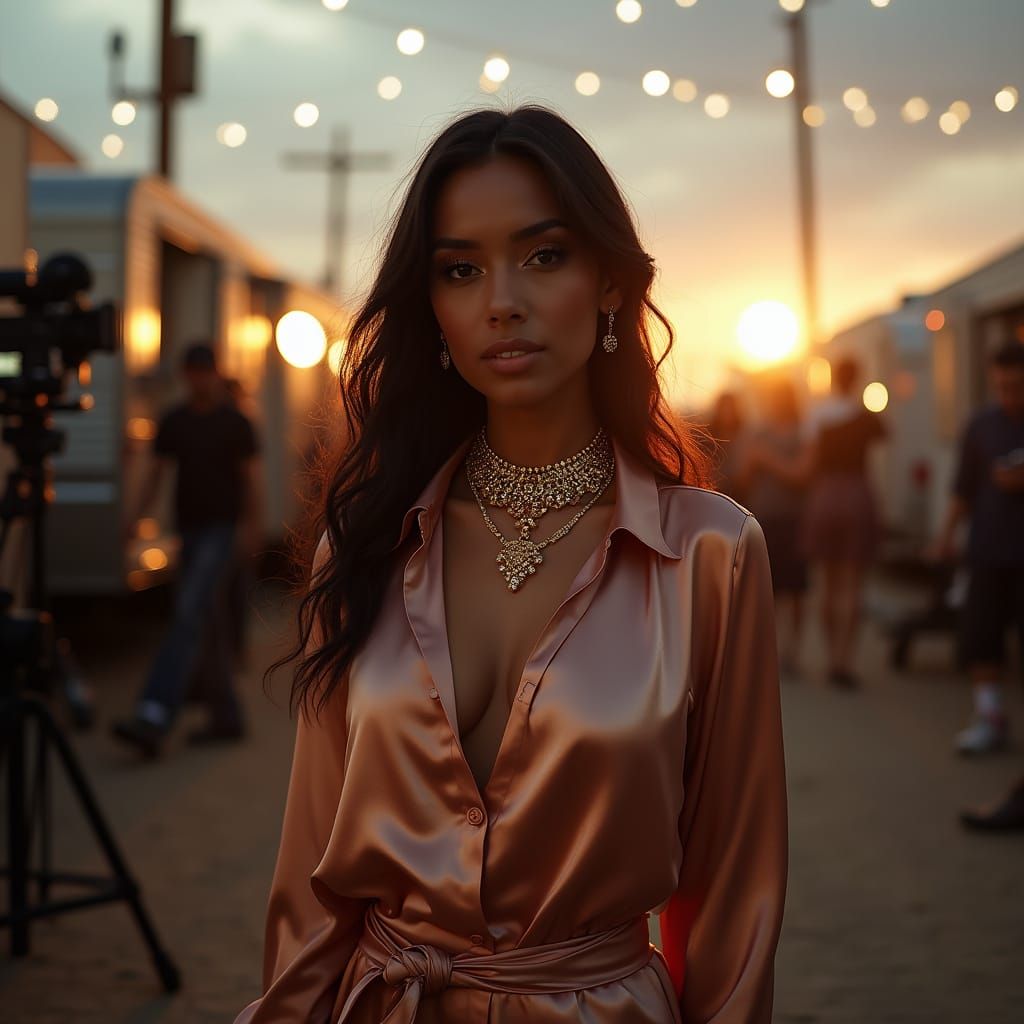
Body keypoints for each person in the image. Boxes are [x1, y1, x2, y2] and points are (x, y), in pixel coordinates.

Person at [234, 105, 787, 1024]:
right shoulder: (366, 545)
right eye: (460, 269)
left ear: (610, 281)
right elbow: (312, 883)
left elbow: (734, 887)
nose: (501, 299)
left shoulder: (709, 553)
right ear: (433, 305)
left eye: (543, 256)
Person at [112, 342, 262, 757]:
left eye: (205, 370)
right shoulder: (175, 421)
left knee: (188, 614)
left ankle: (154, 712)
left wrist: (252, 529)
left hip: (222, 533)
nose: (199, 378)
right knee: (206, 622)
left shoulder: (235, 423)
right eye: (192, 371)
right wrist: (135, 519)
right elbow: (156, 476)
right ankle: (226, 718)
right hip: (189, 533)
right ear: (185, 375)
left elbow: (250, 480)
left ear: (215, 372)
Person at [753, 355, 885, 689]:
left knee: (827, 583)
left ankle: (830, 657)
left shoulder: (818, 417)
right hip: (858, 494)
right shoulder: (865, 416)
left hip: (825, 497)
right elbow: (884, 438)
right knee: (853, 584)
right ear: (856, 378)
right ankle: (844, 660)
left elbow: (807, 469)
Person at [931, 340, 1024, 755]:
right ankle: (990, 719)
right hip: (988, 550)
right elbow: (963, 488)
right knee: (981, 639)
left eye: (1017, 387)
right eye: (1002, 386)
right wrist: (945, 538)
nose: (1009, 396)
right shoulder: (982, 425)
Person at [738, 375, 809, 677]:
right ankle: (771, 650)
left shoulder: (802, 434)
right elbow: (742, 476)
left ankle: (793, 650)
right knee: (769, 590)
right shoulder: (759, 433)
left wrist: (767, 460)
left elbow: (801, 475)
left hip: (794, 519)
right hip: (764, 519)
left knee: (796, 591)